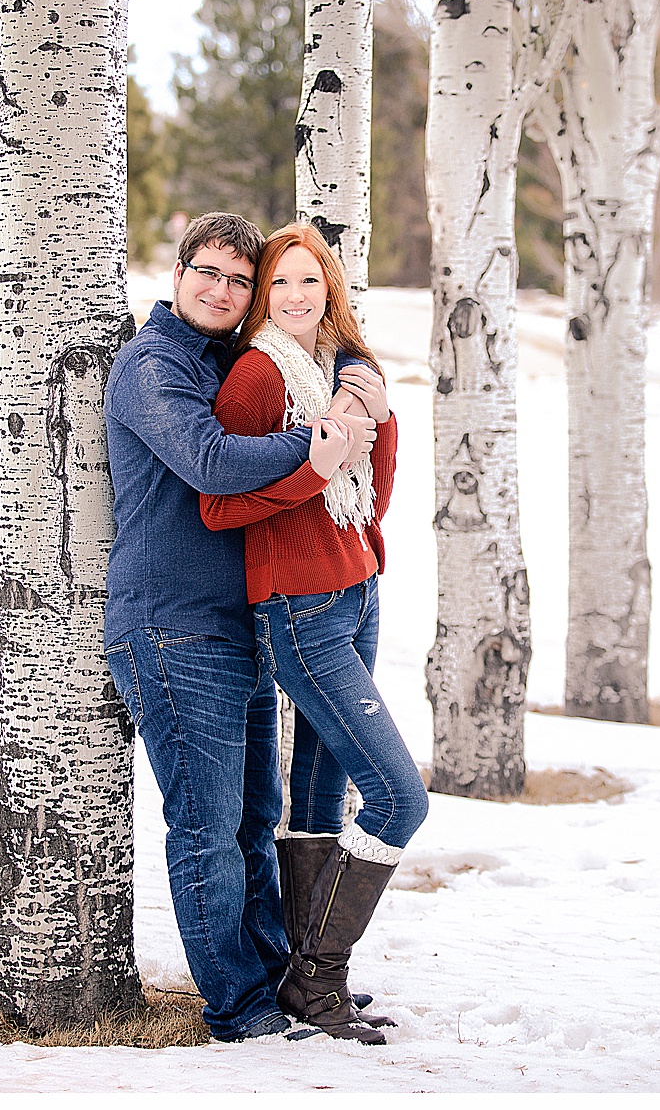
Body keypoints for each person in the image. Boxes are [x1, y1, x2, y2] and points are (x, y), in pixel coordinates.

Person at [104, 212, 375, 1042]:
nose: (222, 290)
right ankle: (237, 1007)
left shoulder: (232, 359)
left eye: (238, 279)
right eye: (207, 272)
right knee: (209, 827)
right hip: (171, 626)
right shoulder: (154, 365)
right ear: (177, 271)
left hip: (241, 623)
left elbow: (336, 347)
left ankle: (275, 983)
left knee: (256, 817)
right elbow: (213, 462)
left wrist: (358, 378)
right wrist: (317, 447)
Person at [200, 221, 427, 1044]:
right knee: (402, 797)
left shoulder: (340, 370)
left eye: (310, 282)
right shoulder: (260, 377)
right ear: (264, 296)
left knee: (323, 798)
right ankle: (314, 976)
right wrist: (315, 464)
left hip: (358, 592)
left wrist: (380, 419)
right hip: (299, 610)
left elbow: (374, 496)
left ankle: (312, 985)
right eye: (280, 284)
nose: (295, 298)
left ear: (330, 288)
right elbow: (220, 505)